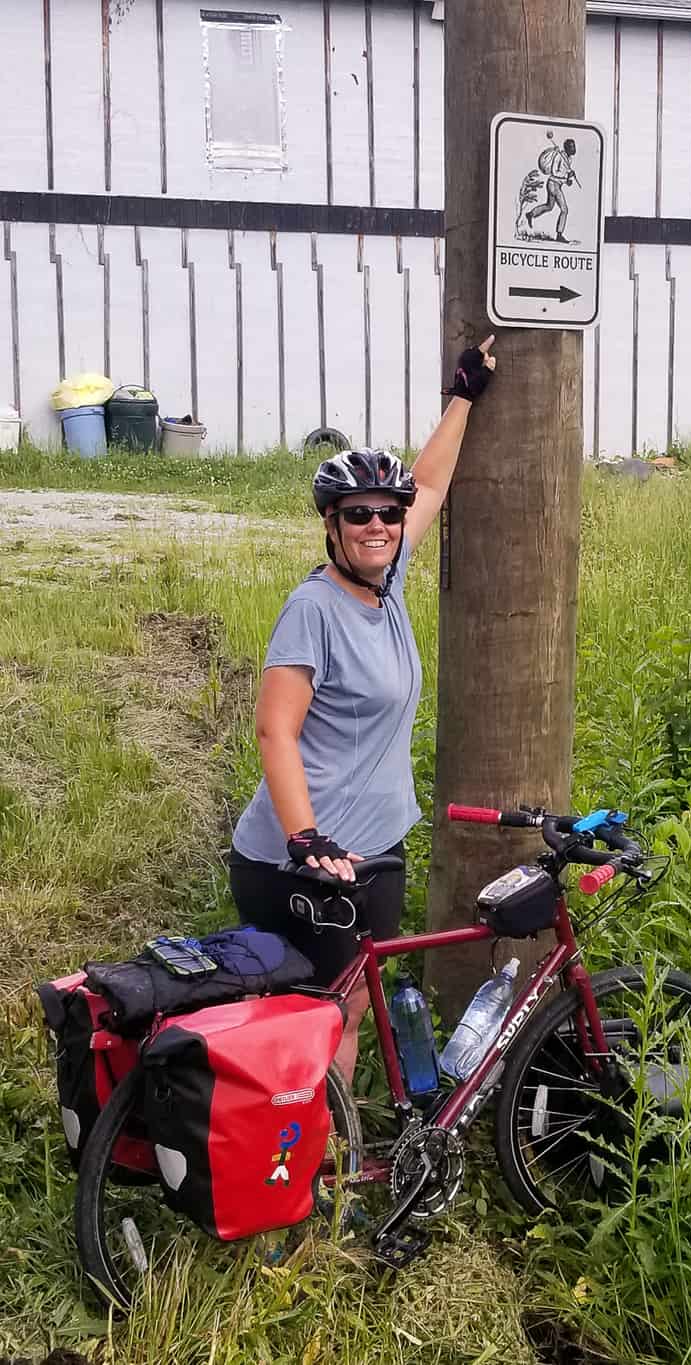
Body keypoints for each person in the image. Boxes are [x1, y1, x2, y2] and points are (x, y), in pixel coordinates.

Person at [229, 337, 497, 1083]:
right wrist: (305, 838)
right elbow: (273, 728)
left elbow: (432, 485)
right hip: (303, 860)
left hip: (373, 850)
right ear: (331, 525)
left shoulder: (385, 579)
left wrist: (464, 395)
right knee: (320, 1016)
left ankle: (330, 1165)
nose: (377, 524)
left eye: (385, 512)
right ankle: (306, 1169)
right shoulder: (312, 609)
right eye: (358, 514)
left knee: (344, 1007)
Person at [525, 137, 577, 242]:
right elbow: (554, 172)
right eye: (572, 147)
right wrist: (567, 175)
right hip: (553, 184)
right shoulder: (559, 156)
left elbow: (562, 176)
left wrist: (567, 180)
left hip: (556, 184)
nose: (574, 149)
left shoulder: (569, 159)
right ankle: (559, 234)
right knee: (564, 209)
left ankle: (531, 214)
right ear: (567, 148)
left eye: (574, 146)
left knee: (549, 206)